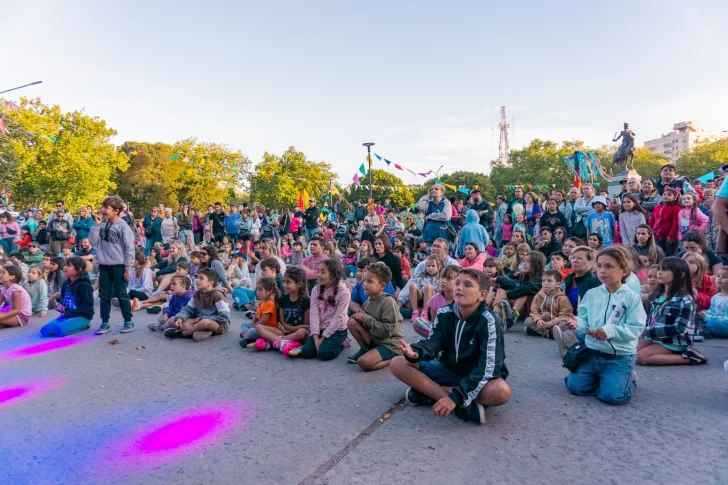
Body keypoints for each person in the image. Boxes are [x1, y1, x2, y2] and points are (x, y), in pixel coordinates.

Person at [390, 268, 510, 425]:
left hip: (476, 377)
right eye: (458, 283)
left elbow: (488, 368)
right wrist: (416, 352)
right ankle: (460, 406)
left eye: (467, 285)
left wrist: (456, 396)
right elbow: (433, 343)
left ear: (481, 295)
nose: (459, 288)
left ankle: (432, 394)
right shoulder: (444, 312)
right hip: (448, 370)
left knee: (501, 391)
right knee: (397, 363)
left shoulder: (488, 320)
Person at [562, 246, 646, 405]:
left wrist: (610, 331)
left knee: (613, 396)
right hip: (592, 352)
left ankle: (628, 379)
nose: (602, 270)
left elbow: (636, 328)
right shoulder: (593, 294)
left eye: (609, 266)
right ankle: (604, 378)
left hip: (618, 356)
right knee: (574, 387)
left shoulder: (631, 298)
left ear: (624, 271)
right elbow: (585, 320)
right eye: (599, 266)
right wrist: (577, 323)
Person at [637, 257, 707, 365]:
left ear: (681, 275)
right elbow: (652, 319)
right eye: (659, 269)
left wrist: (648, 331)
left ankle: (688, 357)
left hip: (674, 341)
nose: (659, 273)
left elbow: (680, 328)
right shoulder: (657, 295)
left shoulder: (685, 299)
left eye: (665, 270)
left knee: (641, 357)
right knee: (629, 353)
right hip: (654, 337)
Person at [89, 196, 136, 335]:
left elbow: (129, 248)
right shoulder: (101, 225)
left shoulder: (123, 226)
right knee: (104, 295)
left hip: (119, 265)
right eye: (102, 207)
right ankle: (105, 322)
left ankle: (128, 320)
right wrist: (96, 225)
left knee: (121, 293)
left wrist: (128, 268)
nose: (102, 210)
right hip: (104, 265)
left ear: (116, 211)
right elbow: (93, 241)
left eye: (106, 208)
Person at [346, 263, 404, 370]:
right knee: (352, 322)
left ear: (382, 286)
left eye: (370, 281)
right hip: (376, 339)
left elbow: (387, 331)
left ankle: (396, 358)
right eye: (365, 280)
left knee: (363, 362)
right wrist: (361, 318)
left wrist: (365, 318)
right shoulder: (368, 302)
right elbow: (368, 324)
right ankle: (366, 349)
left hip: (389, 344)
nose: (365, 284)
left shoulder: (388, 302)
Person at [290, 260, 350, 360]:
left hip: (337, 330)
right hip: (321, 328)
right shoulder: (316, 290)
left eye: (323, 272)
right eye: (318, 271)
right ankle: (323, 342)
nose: (318, 274)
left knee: (323, 354)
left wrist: (323, 338)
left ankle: (343, 342)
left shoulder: (344, 292)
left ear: (333, 274)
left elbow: (339, 317)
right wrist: (315, 335)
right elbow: (314, 313)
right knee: (306, 353)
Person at [254, 267, 310, 355]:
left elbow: (307, 326)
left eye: (288, 282)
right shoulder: (282, 299)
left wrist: (291, 329)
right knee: (259, 327)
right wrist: (284, 328)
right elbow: (282, 321)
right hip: (284, 331)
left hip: (298, 332)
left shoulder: (306, 301)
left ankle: (274, 342)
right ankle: (283, 343)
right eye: (284, 281)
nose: (284, 285)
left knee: (302, 332)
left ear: (298, 284)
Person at [163, 267, 231, 341]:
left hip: (218, 324)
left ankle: (183, 333)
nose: (197, 280)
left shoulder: (217, 295)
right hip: (198, 321)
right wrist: (180, 318)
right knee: (173, 319)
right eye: (197, 277)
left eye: (201, 278)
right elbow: (188, 309)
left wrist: (202, 318)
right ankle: (200, 332)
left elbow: (224, 317)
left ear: (210, 283)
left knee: (204, 322)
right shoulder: (197, 294)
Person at [39, 257, 94, 337]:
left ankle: (85, 325)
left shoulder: (84, 285)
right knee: (44, 331)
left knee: (60, 330)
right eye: (65, 265)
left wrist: (68, 314)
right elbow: (64, 300)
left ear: (79, 269)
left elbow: (87, 306)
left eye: (69, 265)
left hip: (82, 316)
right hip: (68, 315)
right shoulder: (66, 284)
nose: (65, 267)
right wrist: (61, 304)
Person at [495, 251, 546, 330]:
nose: (524, 264)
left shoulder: (543, 276)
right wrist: (498, 279)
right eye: (524, 261)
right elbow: (513, 283)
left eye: (528, 262)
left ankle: (512, 317)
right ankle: (495, 316)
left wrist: (506, 296)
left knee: (524, 291)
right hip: (524, 309)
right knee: (501, 288)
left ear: (537, 263)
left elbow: (527, 288)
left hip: (538, 310)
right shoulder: (524, 274)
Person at [524, 269, 573, 338]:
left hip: (555, 323)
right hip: (542, 322)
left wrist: (549, 324)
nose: (545, 283)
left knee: (565, 325)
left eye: (549, 281)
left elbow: (564, 316)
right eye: (543, 280)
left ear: (558, 283)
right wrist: (538, 320)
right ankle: (550, 334)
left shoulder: (563, 298)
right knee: (528, 320)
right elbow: (534, 311)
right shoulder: (538, 296)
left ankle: (540, 332)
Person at [415, 265, 458, 338]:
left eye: (448, 278)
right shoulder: (436, 298)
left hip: (456, 332)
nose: (443, 281)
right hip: (440, 332)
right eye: (442, 277)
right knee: (417, 322)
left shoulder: (460, 300)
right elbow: (433, 322)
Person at [561, 246, 601, 320]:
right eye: (573, 257)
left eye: (580, 258)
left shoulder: (595, 280)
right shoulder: (569, 278)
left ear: (590, 262)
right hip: (567, 317)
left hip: (585, 320)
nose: (574, 261)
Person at [241, 277, 281, 350]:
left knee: (251, 331)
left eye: (260, 290)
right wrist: (251, 327)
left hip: (267, 329)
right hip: (259, 326)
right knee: (244, 324)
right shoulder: (261, 302)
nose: (257, 292)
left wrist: (252, 328)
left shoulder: (270, 304)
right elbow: (256, 317)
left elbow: (263, 321)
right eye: (257, 289)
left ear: (269, 291)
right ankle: (247, 337)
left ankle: (247, 336)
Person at [650, 187, 681, 257]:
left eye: (669, 195)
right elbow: (652, 219)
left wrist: (672, 236)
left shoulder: (676, 208)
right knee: (659, 253)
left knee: (671, 254)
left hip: (669, 237)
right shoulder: (657, 207)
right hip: (657, 235)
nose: (666, 196)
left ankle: (672, 267)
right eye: (664, 194)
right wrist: (650, 229)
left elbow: (676, 223)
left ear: (675, 198)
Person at [0, 264, 32, 328]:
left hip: (21, 316)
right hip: (12, 312)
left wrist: (2, 316)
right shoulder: (4, 289)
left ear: (12, 277)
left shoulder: (16, 291)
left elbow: (16, 310)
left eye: (3, 273)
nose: (0, 274)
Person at [701, 266, 728, 338]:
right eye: (718, 276)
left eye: (724, 277)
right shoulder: (715, 297)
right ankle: (704, 331)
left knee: (714, 324)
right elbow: (712, 310)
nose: (719, 278)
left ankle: (705, 331)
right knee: (698, 318)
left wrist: (708, 317)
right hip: (714, 320)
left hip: (725, 324)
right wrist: (704, 314)